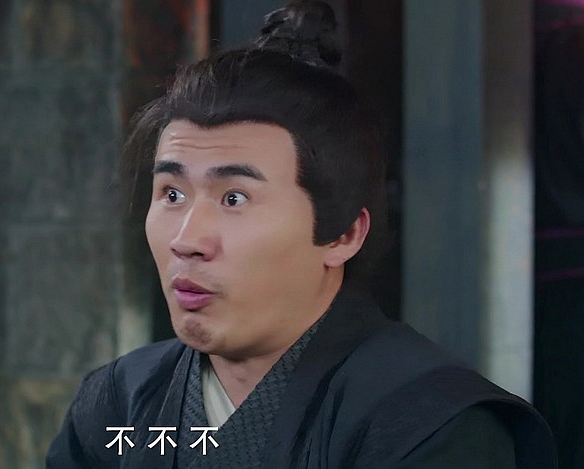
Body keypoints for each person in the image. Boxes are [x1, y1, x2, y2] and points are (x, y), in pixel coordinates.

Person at [46, 1, 556, 467]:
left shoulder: (427, 425)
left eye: (234, 198)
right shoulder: (119, 403)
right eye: (172, 194)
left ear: (343, 235)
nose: (187, 239)